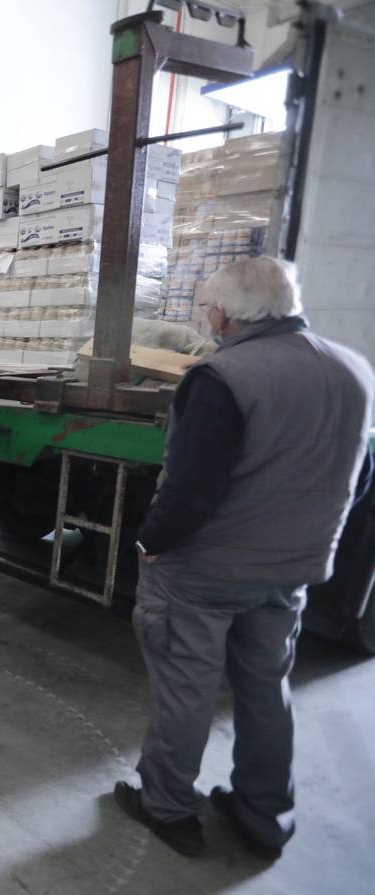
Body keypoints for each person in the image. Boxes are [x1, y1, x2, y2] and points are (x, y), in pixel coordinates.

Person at [114, 256, 374, 859]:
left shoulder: (223, 377)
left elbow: (190, 487)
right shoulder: (354, 370)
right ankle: (264, 813)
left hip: (205, 573)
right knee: (266, 690)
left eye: (210, 309)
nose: (208, 319)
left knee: (186, 689)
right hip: (292, 572)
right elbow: (359, 481)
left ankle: (168, 806)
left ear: (227, 315)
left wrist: (152, 543)